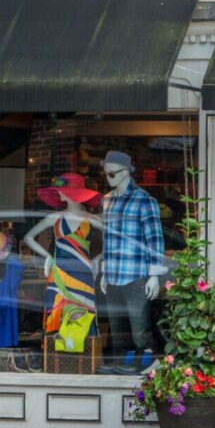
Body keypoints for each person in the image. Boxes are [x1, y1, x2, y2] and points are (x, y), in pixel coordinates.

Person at [99, 151, 165, 373]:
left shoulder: (144, 201)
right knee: (116, 323)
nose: (108, 177)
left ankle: (143, 362)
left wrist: (154, 274)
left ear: (126, 172)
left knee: (139, 324)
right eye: (106, 173)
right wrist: (104, 272)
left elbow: (154, 239)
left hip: (136, 273)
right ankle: (119, 362)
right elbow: (106, 240)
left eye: (112, 173)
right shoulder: (106, 201)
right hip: (114, 273)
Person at [24, 174, 103, 336]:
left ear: (73, 193)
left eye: (61, 189)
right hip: (59, 272)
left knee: (83, 310)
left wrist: (98, 259)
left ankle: (84, 354)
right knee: (58, 309)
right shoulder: (55, 217)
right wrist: (48, 256)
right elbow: (28, 238)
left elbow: (113, 241)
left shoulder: (92, 219)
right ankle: (59, 355)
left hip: (83, 272)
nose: (58, 193)